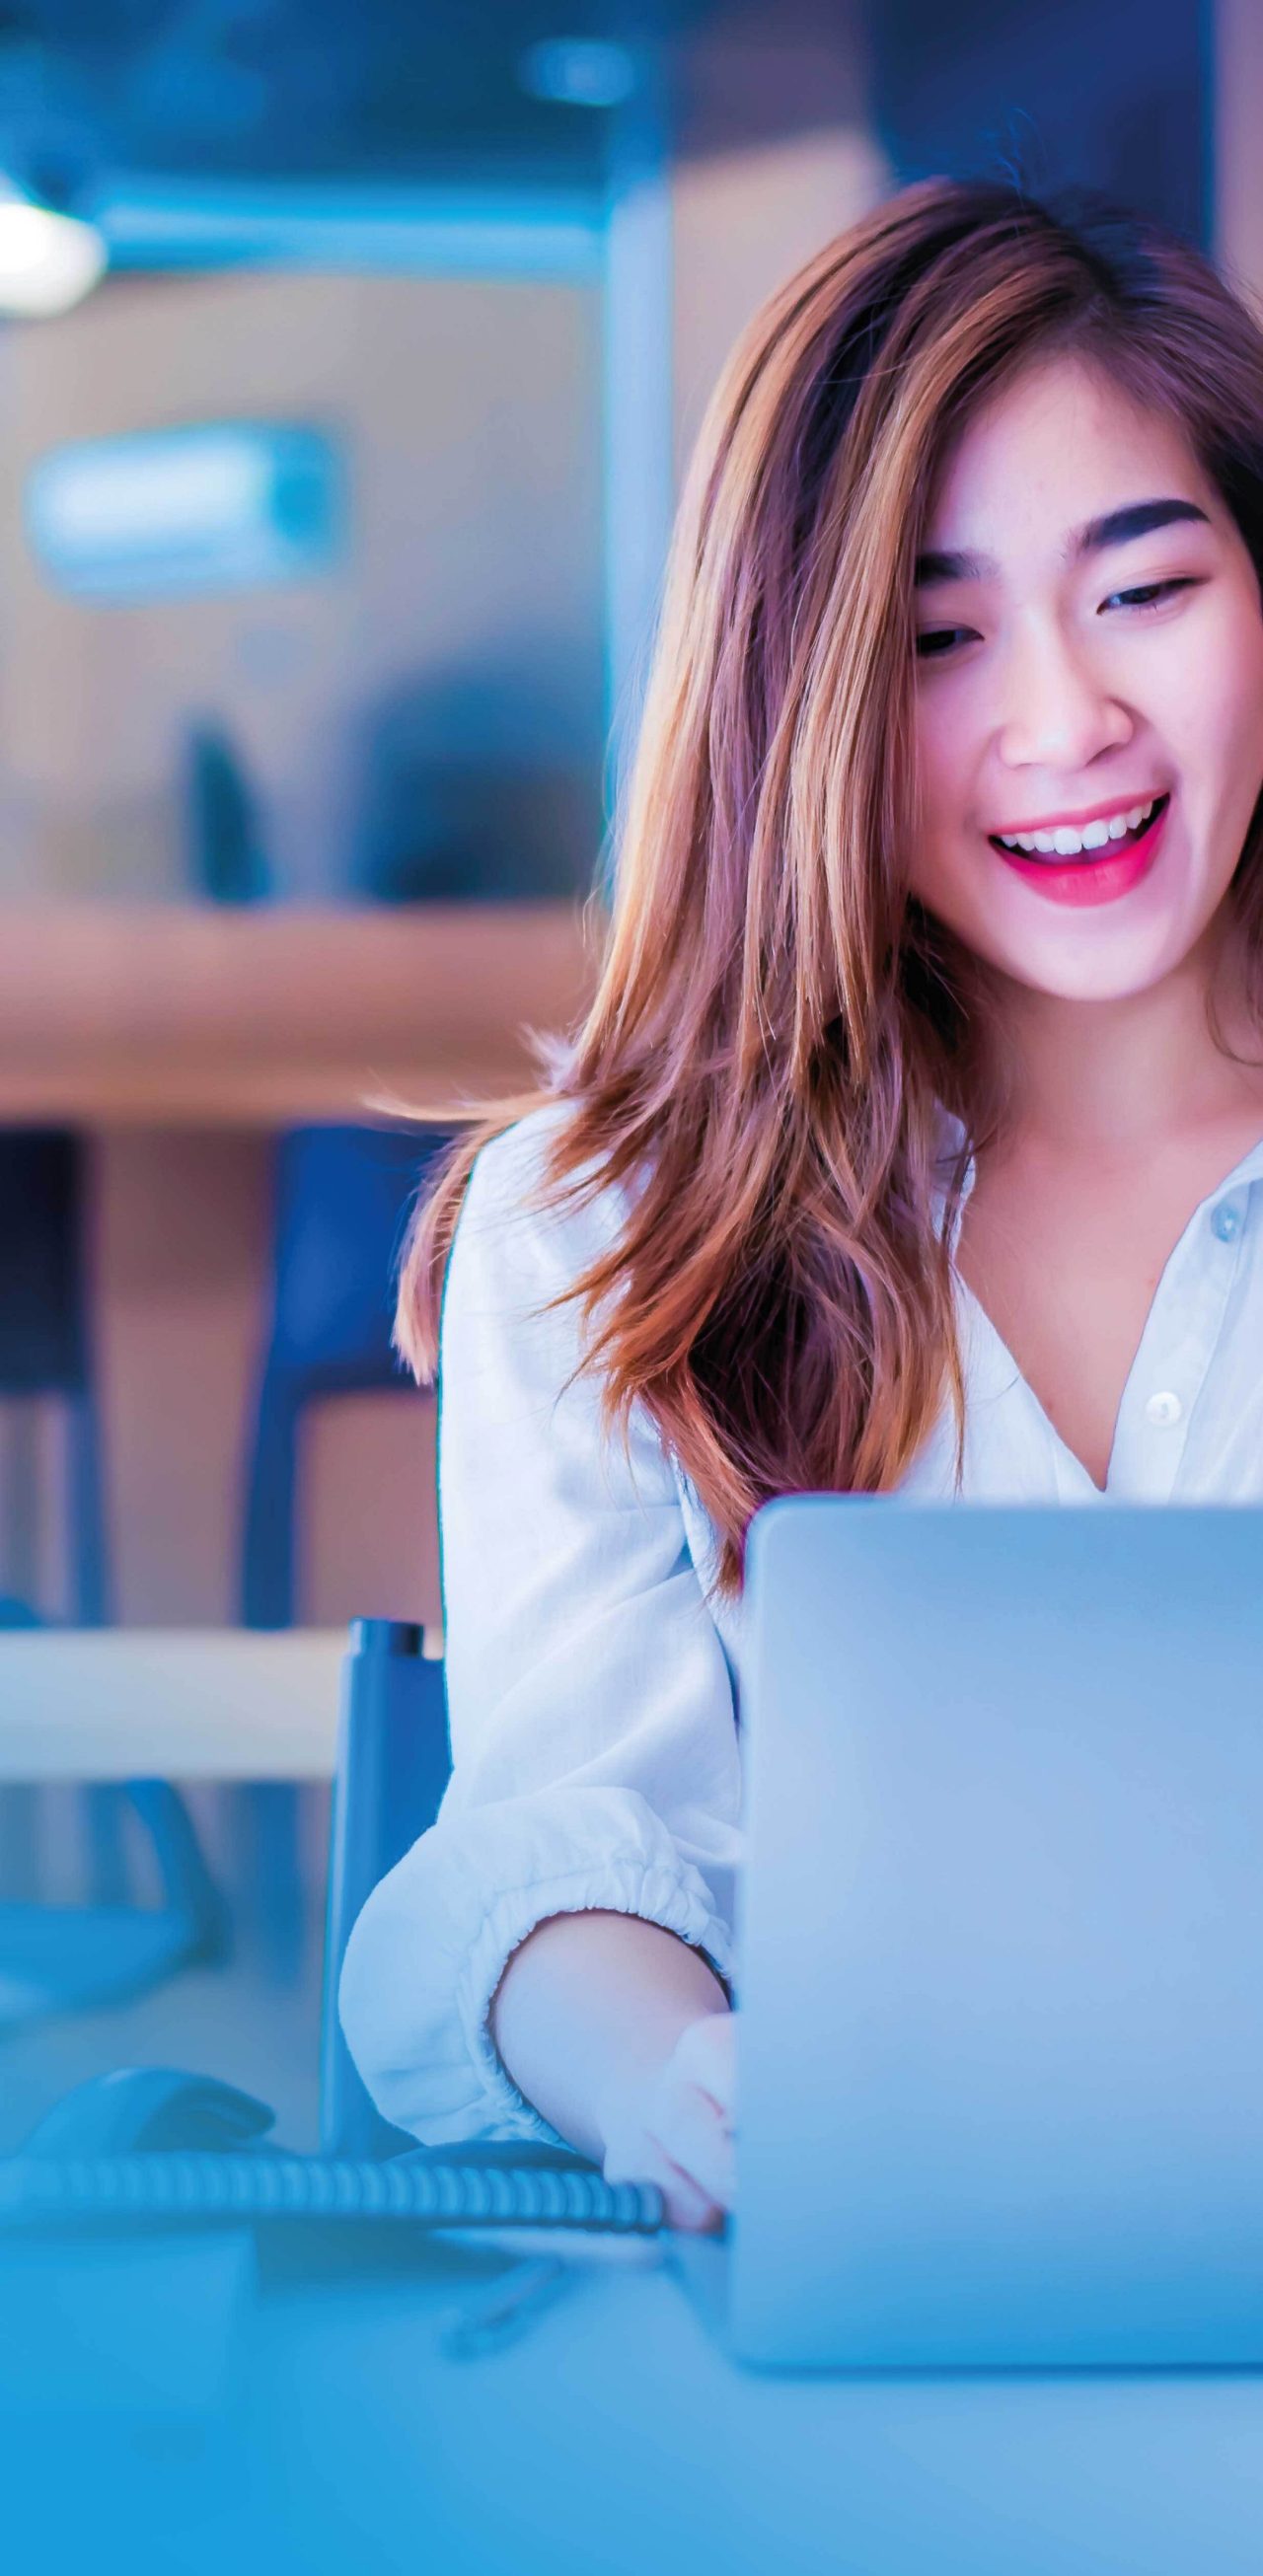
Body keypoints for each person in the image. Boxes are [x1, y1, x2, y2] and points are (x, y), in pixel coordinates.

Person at [339, 176, 1263, 2231]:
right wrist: (675, 2081)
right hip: (856, 2340)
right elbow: (572, 1847)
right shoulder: (609, 1230)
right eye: (936, 636)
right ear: (805, 695)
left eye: (1144, 588)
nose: (1062, 721)